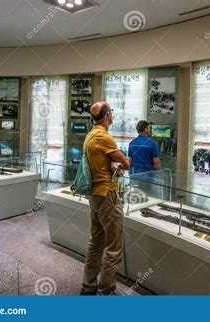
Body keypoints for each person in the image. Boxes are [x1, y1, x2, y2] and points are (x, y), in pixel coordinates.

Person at [81, 101, 130, 296]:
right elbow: (124, 164)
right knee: (114, 247)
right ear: (108, 115)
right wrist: (125, 160)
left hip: (95, 195)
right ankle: (105, 291)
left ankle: (89, 286)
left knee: (96, 242)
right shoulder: (104, 137)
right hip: (107, 195)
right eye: (111, 112)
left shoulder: (90, 135)